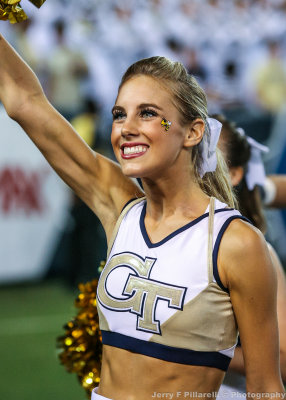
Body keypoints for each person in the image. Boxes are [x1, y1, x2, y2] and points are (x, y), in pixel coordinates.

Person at [0, 34, 284, 399]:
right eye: (119, 114)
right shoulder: (120, 207)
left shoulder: (236, 243)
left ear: (193, 131)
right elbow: (25, 102)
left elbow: (265, 388)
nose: (126, 127)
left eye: (149, 114)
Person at [213, 114, 286, 393]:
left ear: (235, 174)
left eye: (209, 157)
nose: (195, 167)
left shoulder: (252, 250)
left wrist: (202, 347)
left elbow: (282, 359)